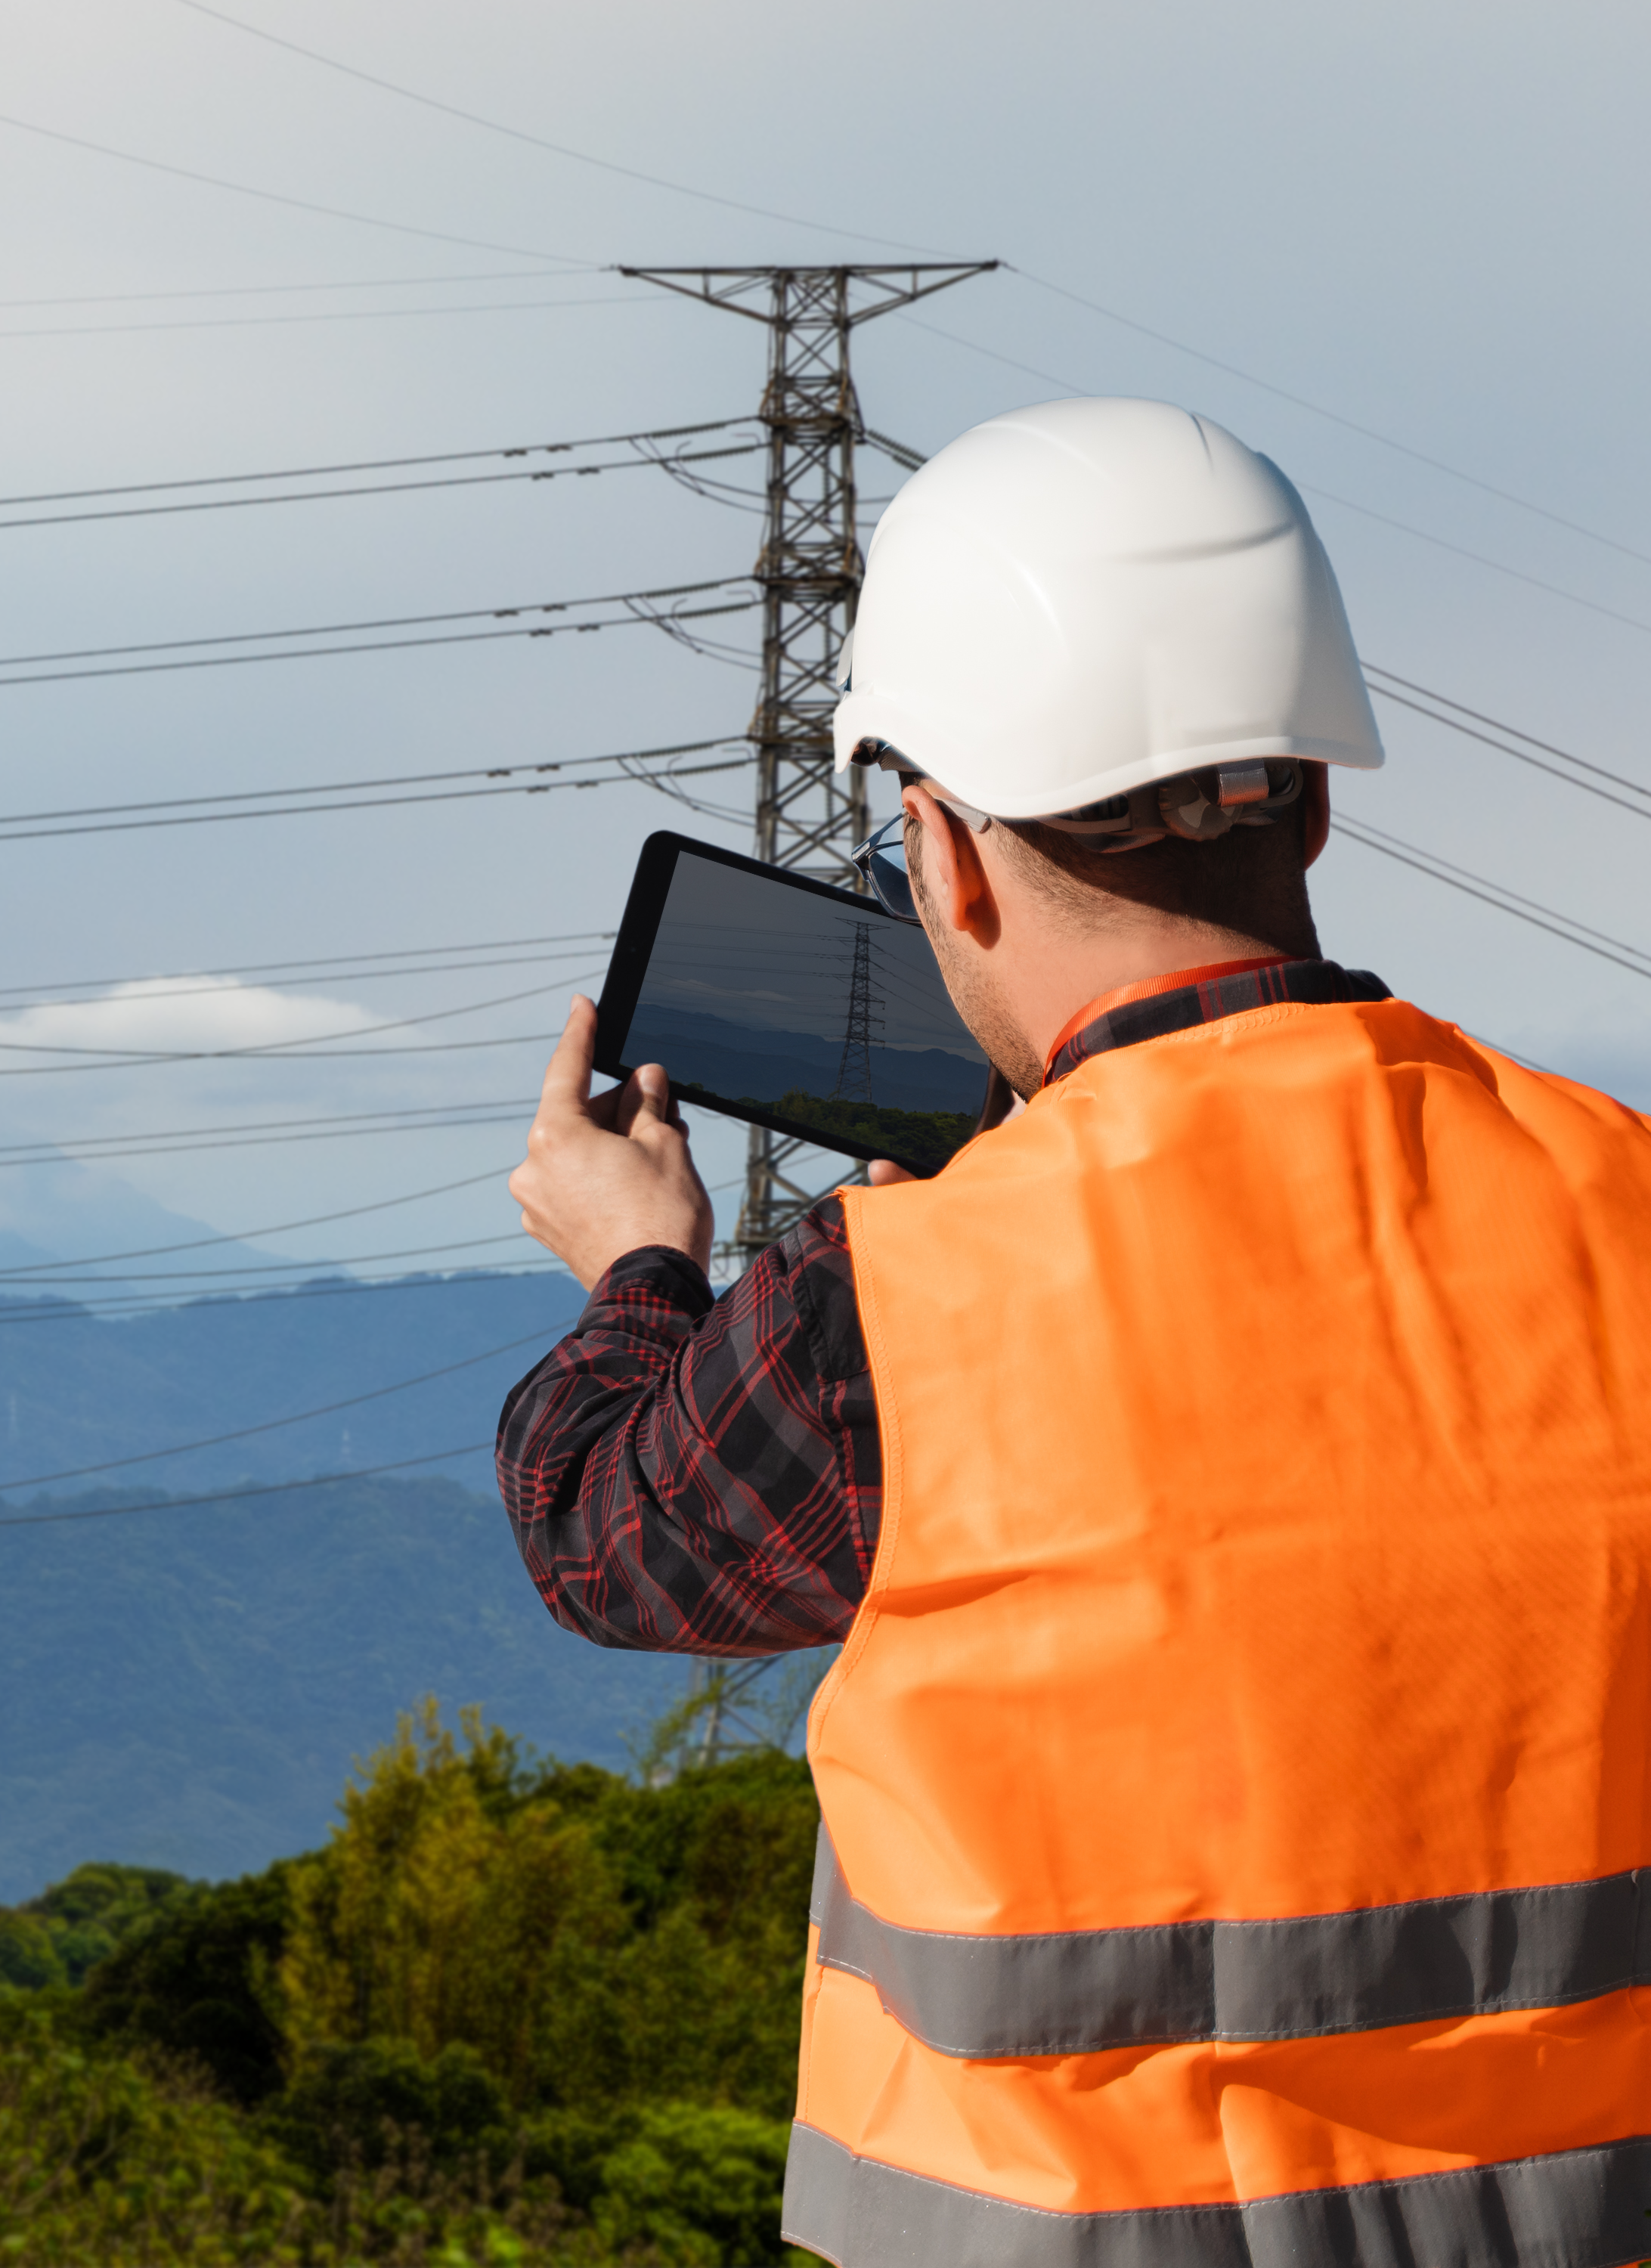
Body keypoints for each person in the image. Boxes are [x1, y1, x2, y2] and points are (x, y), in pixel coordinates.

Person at [497, 396, 1651, 2266]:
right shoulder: (1625, 1195)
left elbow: (603, 1537)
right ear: (1316, 796)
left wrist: (640, 1275)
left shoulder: (893, 1302)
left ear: (942, 857)